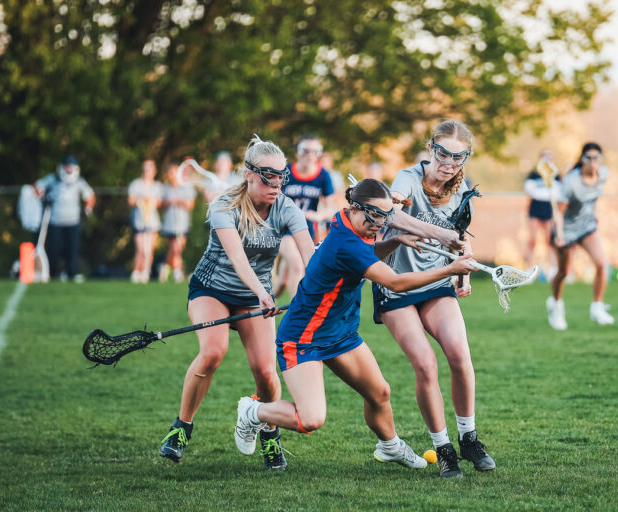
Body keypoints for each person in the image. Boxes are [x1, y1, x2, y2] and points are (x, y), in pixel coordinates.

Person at [234, 178, 478, 472]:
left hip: (340, 332)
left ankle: (389, 446)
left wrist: (395, 240)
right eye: (375, 215)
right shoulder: (347, 241)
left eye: (386, 216)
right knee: (310, 420)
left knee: (380, 394)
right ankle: (253, 411)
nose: (380, 223)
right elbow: (396, 282)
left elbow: (364, 259)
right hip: (304, 337)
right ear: (354, 208)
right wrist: (450, 269)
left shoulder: (350, 223)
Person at [159, 136, 314, 470]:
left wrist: (319, 286)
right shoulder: (223, 205)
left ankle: (270, 435)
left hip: (254, 296)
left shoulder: (287, 209)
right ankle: (182, 426)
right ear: (248, 174)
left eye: (281, 176)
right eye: (267, 176)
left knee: (265, 371)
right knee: (213, 352)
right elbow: (238, 257)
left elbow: (309, 256)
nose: (275, 184)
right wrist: (262, 291)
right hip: (211, 289)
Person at [372, 120, 494, 479]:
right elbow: (392, 215)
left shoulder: (461, 187)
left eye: (459, 157)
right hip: (395, 284)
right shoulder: (407, 179)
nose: (449, 163)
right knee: (425, 364)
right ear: (431, 149)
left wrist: (460, 269)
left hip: (436, 281)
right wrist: (441, 235)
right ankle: (443, 449)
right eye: (443, 153)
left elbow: (460, 232)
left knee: (459, 354)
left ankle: (468, 438)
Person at [546, 142, 614, 330]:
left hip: (587, 227)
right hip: (566, 230)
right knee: (563, 272)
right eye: (588, 158)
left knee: (602, 264)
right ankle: (555, 305)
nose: (592, 162)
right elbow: (558, 212)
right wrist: (559, 235)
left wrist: (594, 212)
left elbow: (593, 197)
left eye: (596, 158)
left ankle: (597, 307)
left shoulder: (603, 175)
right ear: (582, 159)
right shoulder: (571, 183)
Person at [274, 135, 336, 297]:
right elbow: (271, 200)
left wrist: (317, 215)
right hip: (282, 228)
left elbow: (329, 209)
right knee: (297, 264)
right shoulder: (286, 172)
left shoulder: (323, 176)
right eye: (305, 151)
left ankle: (256, 306)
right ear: (297, 152)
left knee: (281, 281)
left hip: (305, 229)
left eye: (315, 152)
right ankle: (298, 315)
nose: (310, 155)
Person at [33, 155, 95, 282]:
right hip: (55, 221)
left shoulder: (79, 182)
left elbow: (90, 196)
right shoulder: (53, 179)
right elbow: (37, 187)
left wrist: (87, 211)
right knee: (54, 248)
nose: (68, 170)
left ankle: (71, 274)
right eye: (66, 167)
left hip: (73, 222)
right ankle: (53, 273)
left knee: (72, 249)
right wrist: (44, 197)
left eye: (71, 167)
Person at [524, 149, 560, 279]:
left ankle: (553, 269)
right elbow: (530, 191)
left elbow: (557, 192)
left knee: (550, 240)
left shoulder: (556, 175)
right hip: (536, 207)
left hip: (549, 207)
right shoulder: (534, 175)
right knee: (532, 239)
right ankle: (528, 269)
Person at [159, 162, 197, 283]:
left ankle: (165, 267)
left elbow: (190, 205)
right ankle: (177, 272)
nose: (172, 175)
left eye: (174, 172)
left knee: (177, 248)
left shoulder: (186, 187)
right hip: (169, 224)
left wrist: (177, 201)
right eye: (170, 172)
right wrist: (168, 202)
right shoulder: (165, 188)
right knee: (174, 248)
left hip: (182, 224)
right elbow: (160, 204)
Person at [128, 159, 164, 283]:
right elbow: (131, 201)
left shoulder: (157, 186)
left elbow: (159, 202)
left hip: (152, 222)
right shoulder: (136, 184)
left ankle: (145, 272)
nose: (147, 171)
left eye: (150, 169)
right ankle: (136, 271)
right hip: (139, 221)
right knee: (141, 248)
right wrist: (142, 199)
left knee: (149, 250)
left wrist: (151, 201)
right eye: (145, 169)